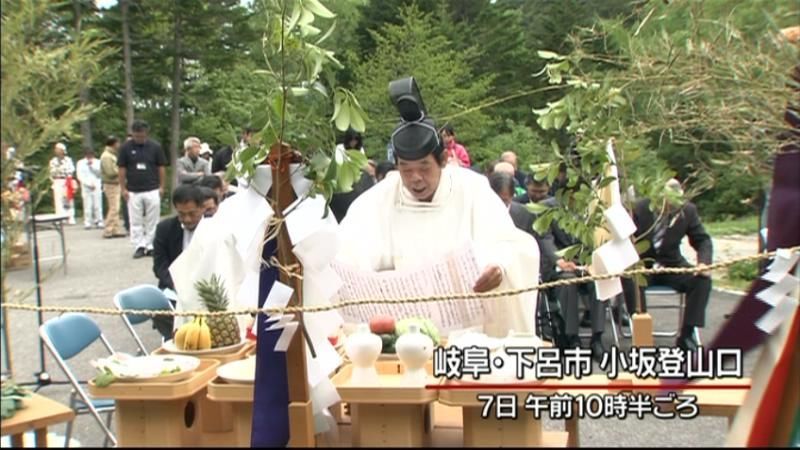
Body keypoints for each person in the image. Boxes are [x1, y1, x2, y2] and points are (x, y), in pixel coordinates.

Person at [337, 112, 539, 337]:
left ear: (443, 160)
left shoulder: (471, 189)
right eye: (406, 169)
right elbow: (346, 257)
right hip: (400, 335)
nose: (415, 178)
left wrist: (499, 267)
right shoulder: (379, 199)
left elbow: (512, 244)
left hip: (466, 336)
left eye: (424, 168)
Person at [621, 179, 713, 351]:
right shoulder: (639, 209)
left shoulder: (688, 211)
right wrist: (632, 262)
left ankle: (687, 334)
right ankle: (642, 336)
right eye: (668, 203)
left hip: (672, 265)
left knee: (701, 281)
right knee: (630, 279)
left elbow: (703, 240)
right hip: (643, 266)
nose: (671, 207)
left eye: (675, 204)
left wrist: (704, 263)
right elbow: (623, 240)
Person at [151, 184, 207, 338]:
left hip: (206, 289)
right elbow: (159, 266)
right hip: (174, 289)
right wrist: (175, 283)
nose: (187, 219)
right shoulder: (165, 229)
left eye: (192, 214)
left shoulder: (214, 229)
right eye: (182, 214)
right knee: (160, 311)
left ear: (203, 208)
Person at [118, 120, 167, 259]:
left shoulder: (155, 147)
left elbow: (161, 167)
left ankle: (151, 244)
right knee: (135, 219)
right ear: (132, 134)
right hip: (133, 189)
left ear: (147, 133)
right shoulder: (125, 148)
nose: (140, 138)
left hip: (152, 188)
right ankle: (139, 245)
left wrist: (162, 186)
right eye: (137, 136)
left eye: (142, 136)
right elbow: (121, 168)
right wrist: (123, 188)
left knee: (153, 219)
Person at [100, 136, 127, 238]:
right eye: (118, 143)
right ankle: (108, 229)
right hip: (110, 184)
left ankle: (115, 229)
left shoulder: (111, 155)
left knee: (116, 207)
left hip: (115, 184)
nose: (119, 145)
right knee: (113, 208)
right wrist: (121, 170)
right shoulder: (107, 156)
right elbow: (110, 172)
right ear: (113, 144)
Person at [48, 142, 77, 225]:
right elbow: (52, 172)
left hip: (67, 180)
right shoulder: (53, 161)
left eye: (58, 149)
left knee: (69, 199)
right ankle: (60, 217)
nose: (57, 151)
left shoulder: (68, 160)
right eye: (56, 149)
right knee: (58, 200)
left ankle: (70, 217)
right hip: (57, 181)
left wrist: (61, 170)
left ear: (63, 151)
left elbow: (70, 170)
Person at [76, 149, 104, 229]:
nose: (89, 156)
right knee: (87, 205)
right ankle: (87, 222)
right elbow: (80, 175)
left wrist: (92, 166)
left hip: (96, 185)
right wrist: (88, 184)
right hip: (86, 186)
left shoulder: (98, 162)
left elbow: (100, 174)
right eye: (88, 155)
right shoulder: (80, 163)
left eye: (91, 154)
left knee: (98, 205)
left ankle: (99, 221)